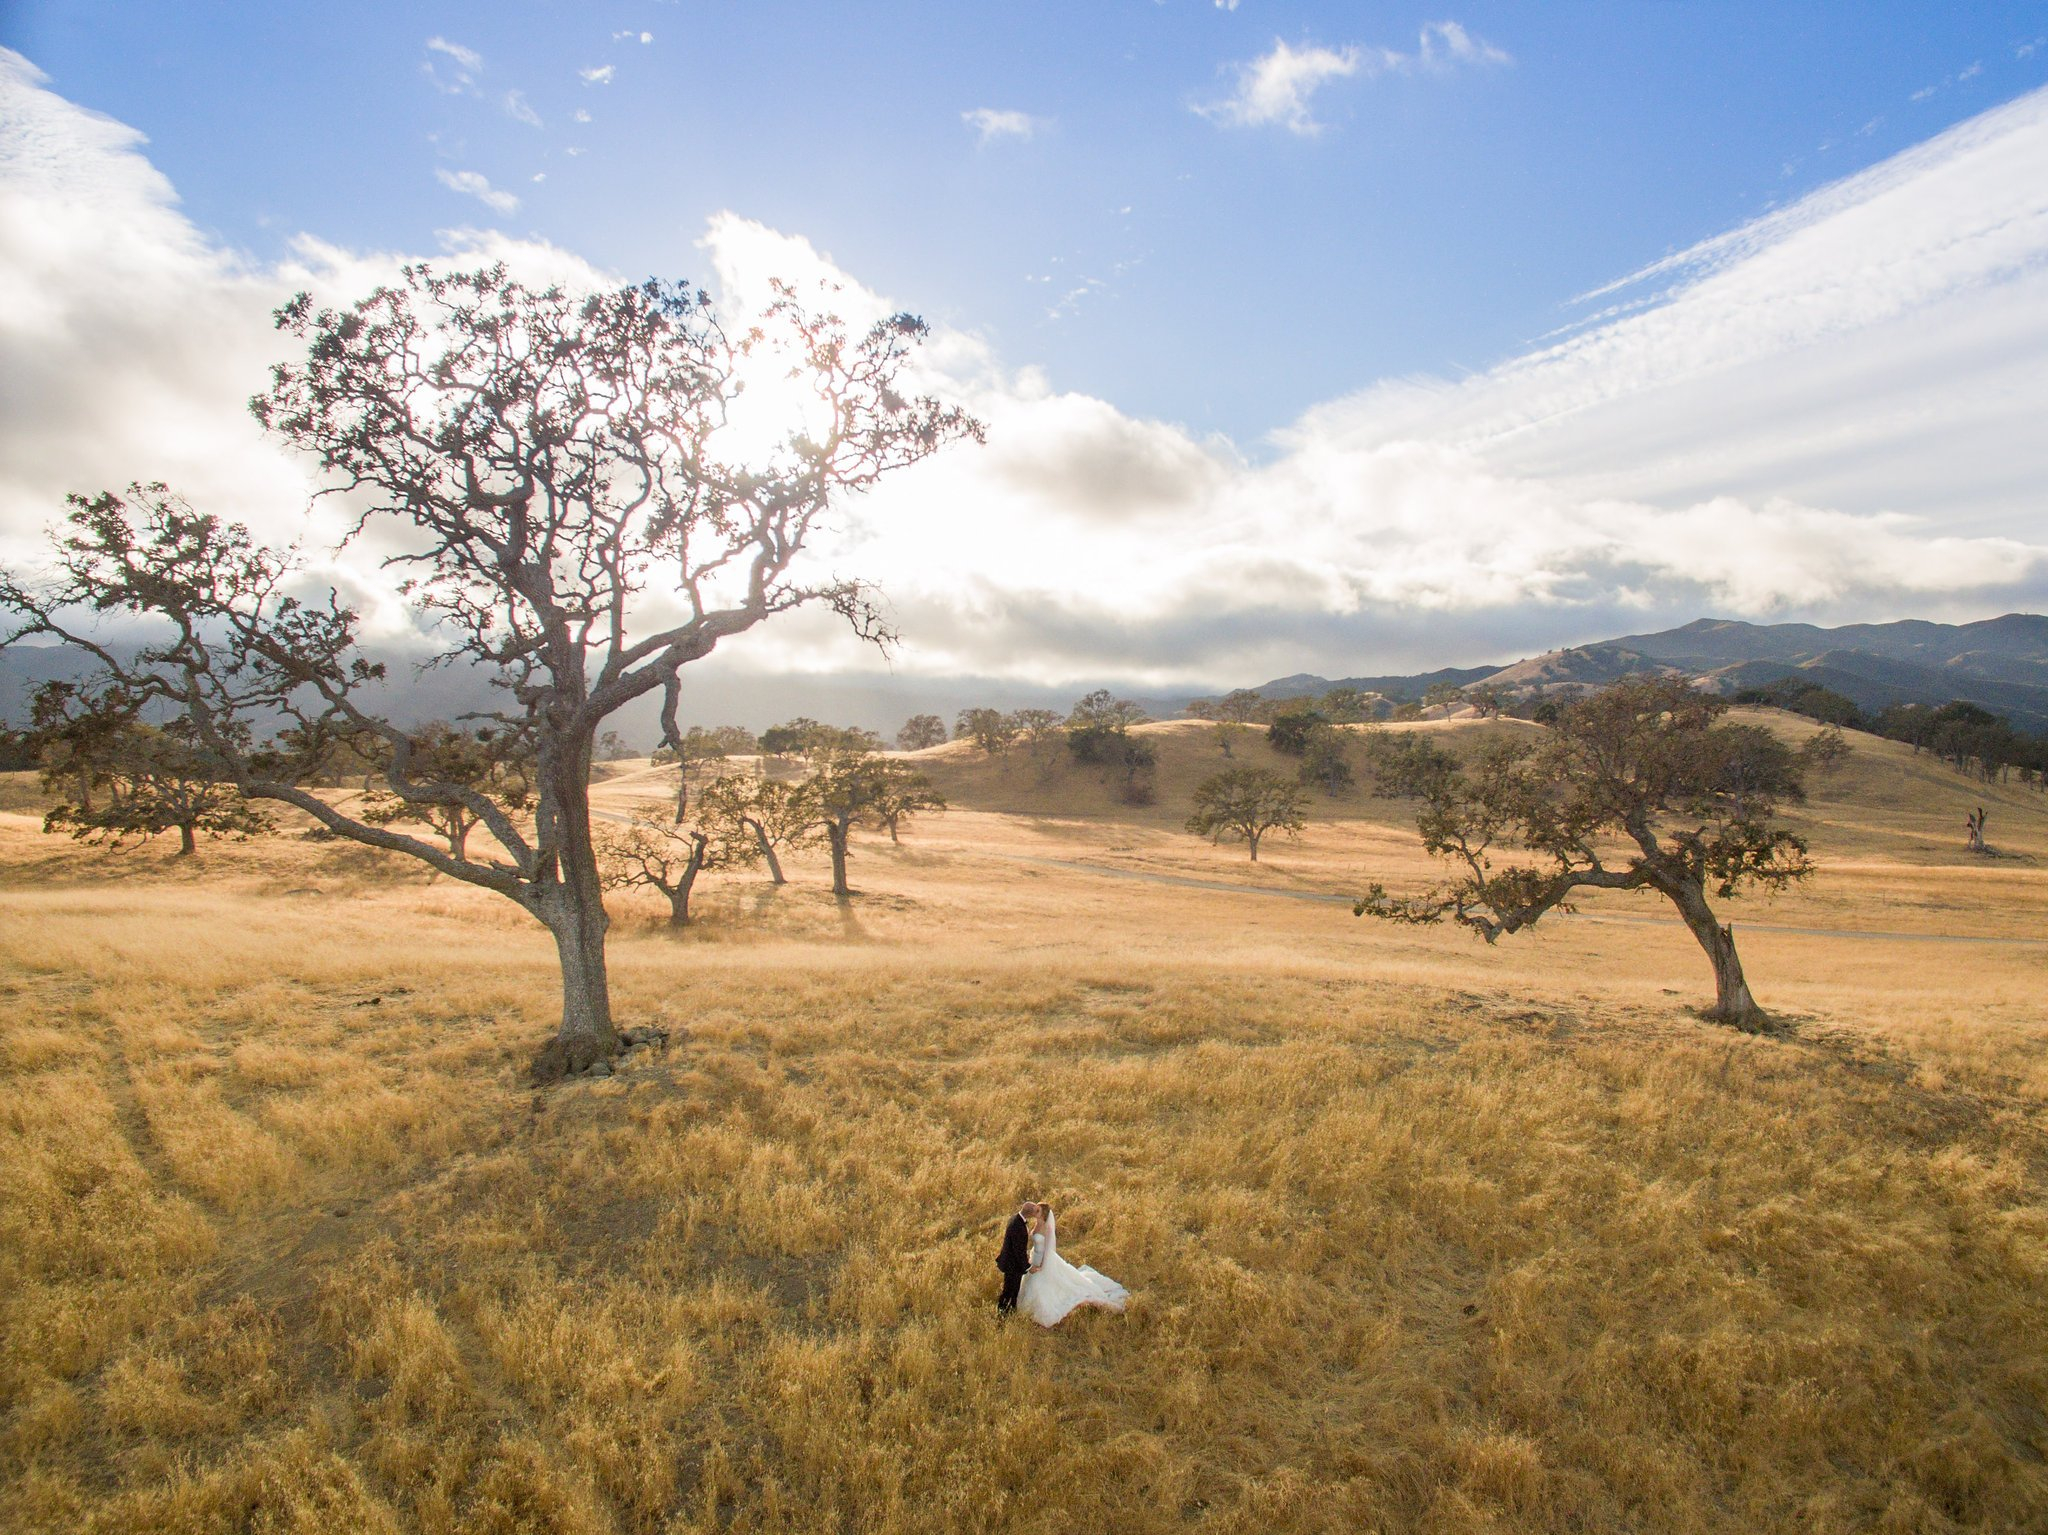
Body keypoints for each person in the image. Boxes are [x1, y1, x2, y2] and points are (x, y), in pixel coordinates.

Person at [1017, 1202, 1128, 1328]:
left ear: (1043, 1215)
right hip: (1034, 1257)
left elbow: (1047, 1248)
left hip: (1043, 1260)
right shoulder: (1037, 1224)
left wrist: (1042, 1265)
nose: (1034, 1212)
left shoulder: (1046, 1228)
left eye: (1037, 1211)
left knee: (1042, 1285)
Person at [995, 1200, 1038, 1317]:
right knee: (1009, 1291)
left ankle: (1010, 1313)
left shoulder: (1015, 1219)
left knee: (1012, 1291)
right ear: (1030, 1213)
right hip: (1012, 1265)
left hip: (1012, 1262)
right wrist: (1028, 1267)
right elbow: (1018, 1251)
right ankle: (1002, 1315)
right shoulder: (1018, 1226)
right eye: (1035, 1212)